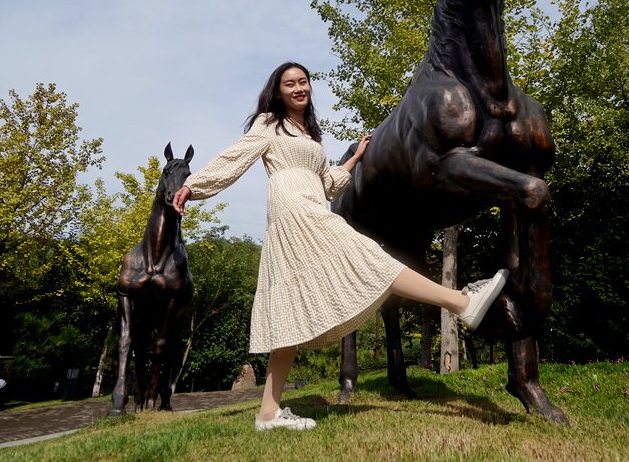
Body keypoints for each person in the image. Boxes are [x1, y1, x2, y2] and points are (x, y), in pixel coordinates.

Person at [172, 62, 507, 432]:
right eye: (289, 84)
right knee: (370, 258)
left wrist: (355, 158)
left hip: (311, 203)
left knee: (289, 311)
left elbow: (328, 184)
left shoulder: (311, 135)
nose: (298, 88)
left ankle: (267, 414)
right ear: (278, 91)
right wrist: (196, 185)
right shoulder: (269, 123)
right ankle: (462, 302)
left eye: (303, 82)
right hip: (292, 209)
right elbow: (235, 157)